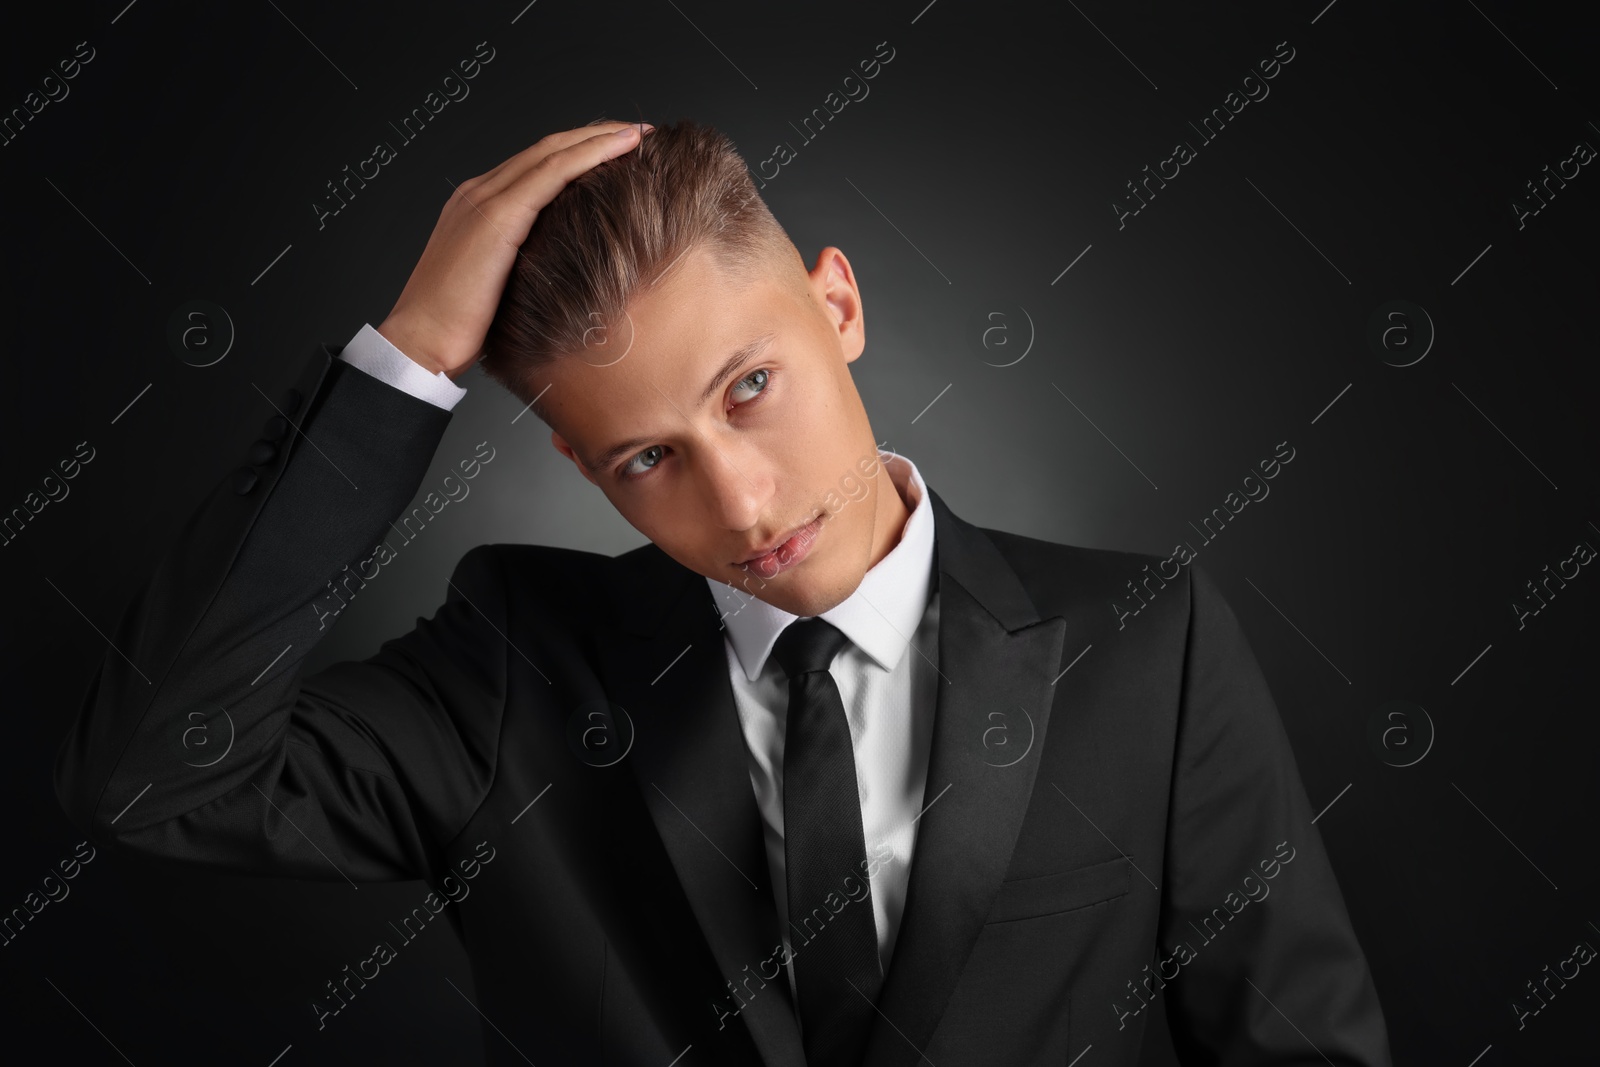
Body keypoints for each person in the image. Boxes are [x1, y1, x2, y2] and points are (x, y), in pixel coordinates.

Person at [55, 118, 1393, 1066]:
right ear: (582, 469)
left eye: (751, 387)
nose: (745, 510)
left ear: (841, 306)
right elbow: (157, 776)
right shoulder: (517, 666)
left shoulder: (1148, 643)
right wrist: (404, 366)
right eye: (649, 459)